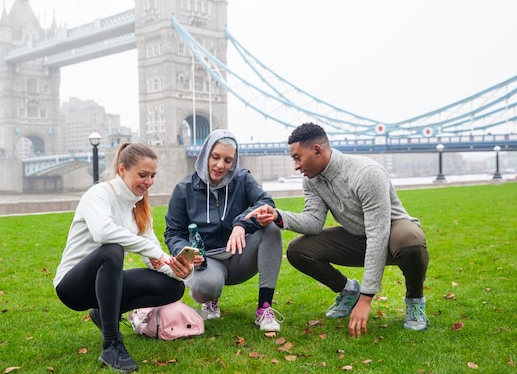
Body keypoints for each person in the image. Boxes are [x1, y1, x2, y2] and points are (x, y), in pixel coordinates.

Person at [246, 123, 429, 338]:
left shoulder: (367, 174)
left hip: (392, 234)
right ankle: (348, 291)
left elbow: (378, 235)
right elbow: (313, 222)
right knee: (298, 250)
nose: (296, 166)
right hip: (357, 236)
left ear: (317, 150)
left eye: (297, 158)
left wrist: (367, 298)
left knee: (411, 241)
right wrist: (278, 216)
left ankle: (415, 301)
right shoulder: (312, 180)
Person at [53, 142, 194, 374]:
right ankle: (111, 345)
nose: (148, 182)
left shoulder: (139, 208)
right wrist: (154, 252)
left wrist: (179, 269)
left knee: (173, 288)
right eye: (142, 175)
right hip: (72, 287)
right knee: (112, 250)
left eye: (152, 176)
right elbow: (103, 232)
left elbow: (153, 256)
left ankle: (102, 312)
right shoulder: (99, 194)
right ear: (122, 170)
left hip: (106, 283)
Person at [164, 129, 284, 332]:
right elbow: (173, 232)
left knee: (271, 228)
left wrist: (241, 224)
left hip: (240, 254)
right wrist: (187, 253)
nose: (221, 166)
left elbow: (265, 202)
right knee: (205, 288)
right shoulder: (184, 190)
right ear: (205, 155)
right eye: (215, 157)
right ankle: (210, 301)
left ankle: (264, 308)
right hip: (207, 260)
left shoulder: (243, 179)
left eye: (228, 160)